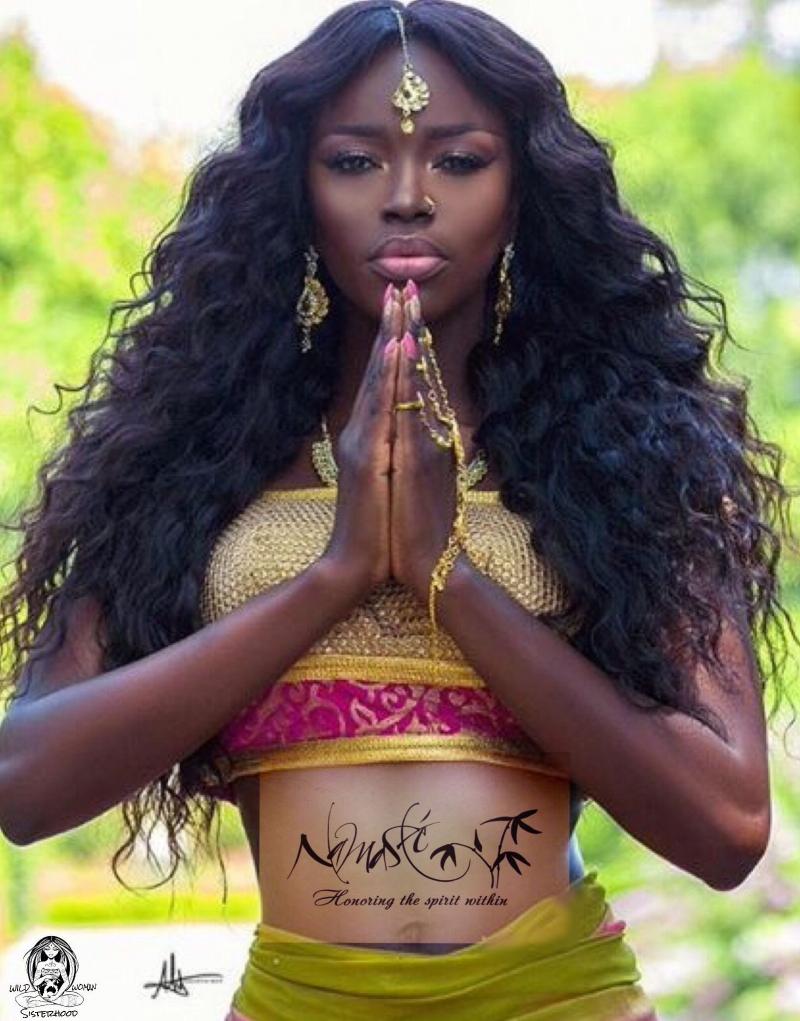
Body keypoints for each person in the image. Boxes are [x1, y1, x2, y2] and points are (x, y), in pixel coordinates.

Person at [0, 1, 791, 1018]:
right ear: (298, 191)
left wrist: (444, 575)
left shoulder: (626, 472)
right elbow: (25, 782)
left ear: (520, 194)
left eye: (458, 161)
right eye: (354, 161)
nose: (408, 198)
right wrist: (336, 571)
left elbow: (727, 828)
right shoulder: (187, 468)